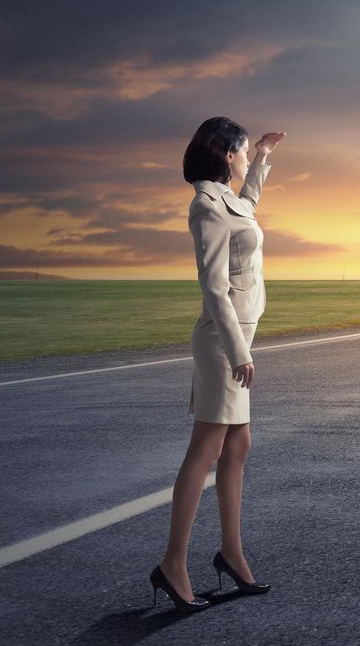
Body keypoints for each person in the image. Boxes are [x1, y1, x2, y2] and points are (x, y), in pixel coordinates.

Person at [150, 117, 286, 612]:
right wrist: (239, 352)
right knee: (205, 449)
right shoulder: (205, 208)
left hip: (238, 337)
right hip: (222, 343)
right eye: (246, 152)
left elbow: (247, 204)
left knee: (238, 443)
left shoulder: (229, 201)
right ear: (227, 154)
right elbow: (213, 288)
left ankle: (230, 553)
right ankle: (173, 564)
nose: (248, 158)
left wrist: (266, 157)